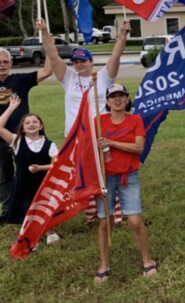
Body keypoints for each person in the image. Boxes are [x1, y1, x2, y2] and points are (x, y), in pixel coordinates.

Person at [39, 17, 128, 224]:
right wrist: (44, 31)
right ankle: (91, 214)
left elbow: (115, 56)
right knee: (83, 172)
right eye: (76, 61)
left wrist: (123, 35)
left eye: (83, 61)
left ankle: (115, 212)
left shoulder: (103, 77)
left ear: (91, 62)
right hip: (76, 134)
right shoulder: (69, 77)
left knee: (107, 171)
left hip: (101, 132)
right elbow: (53, 57)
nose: (79, 64)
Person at [94, 84, 156, 283]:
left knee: (135, 221)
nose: (117, 100)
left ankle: (147, 260)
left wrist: (112, 143)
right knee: (105, 223)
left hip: (128, 176)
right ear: (107, 101)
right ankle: (104, 264)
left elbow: (139, 147)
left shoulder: (135, 120)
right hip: (105, 177)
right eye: (113, 96)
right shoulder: (99, 120)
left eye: (121, 96)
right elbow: (89, 149)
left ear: (128, 99)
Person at [0, 47, 52, 222]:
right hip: (1, 137)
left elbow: (47, 71)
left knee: (26, 174)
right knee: (4, 176)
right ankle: (8, 212)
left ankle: (31, 209)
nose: (2, 65)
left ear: (11, 63)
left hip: (22, 138)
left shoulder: (20, 80)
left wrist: (49, 46)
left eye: (5, 62)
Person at [0, 95, 59, 244]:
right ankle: (30, 236)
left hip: (44, 182)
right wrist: (11, 108)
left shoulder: (49, 145)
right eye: (27, 123)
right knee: (27, 209)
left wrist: (41, 168)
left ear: (41, 126)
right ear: (23, 128)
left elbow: (59, 165)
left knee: (45, 209)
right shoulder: (17, 141)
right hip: (24, 184)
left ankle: (49, 232)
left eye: (35, 122)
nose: (31, 124)